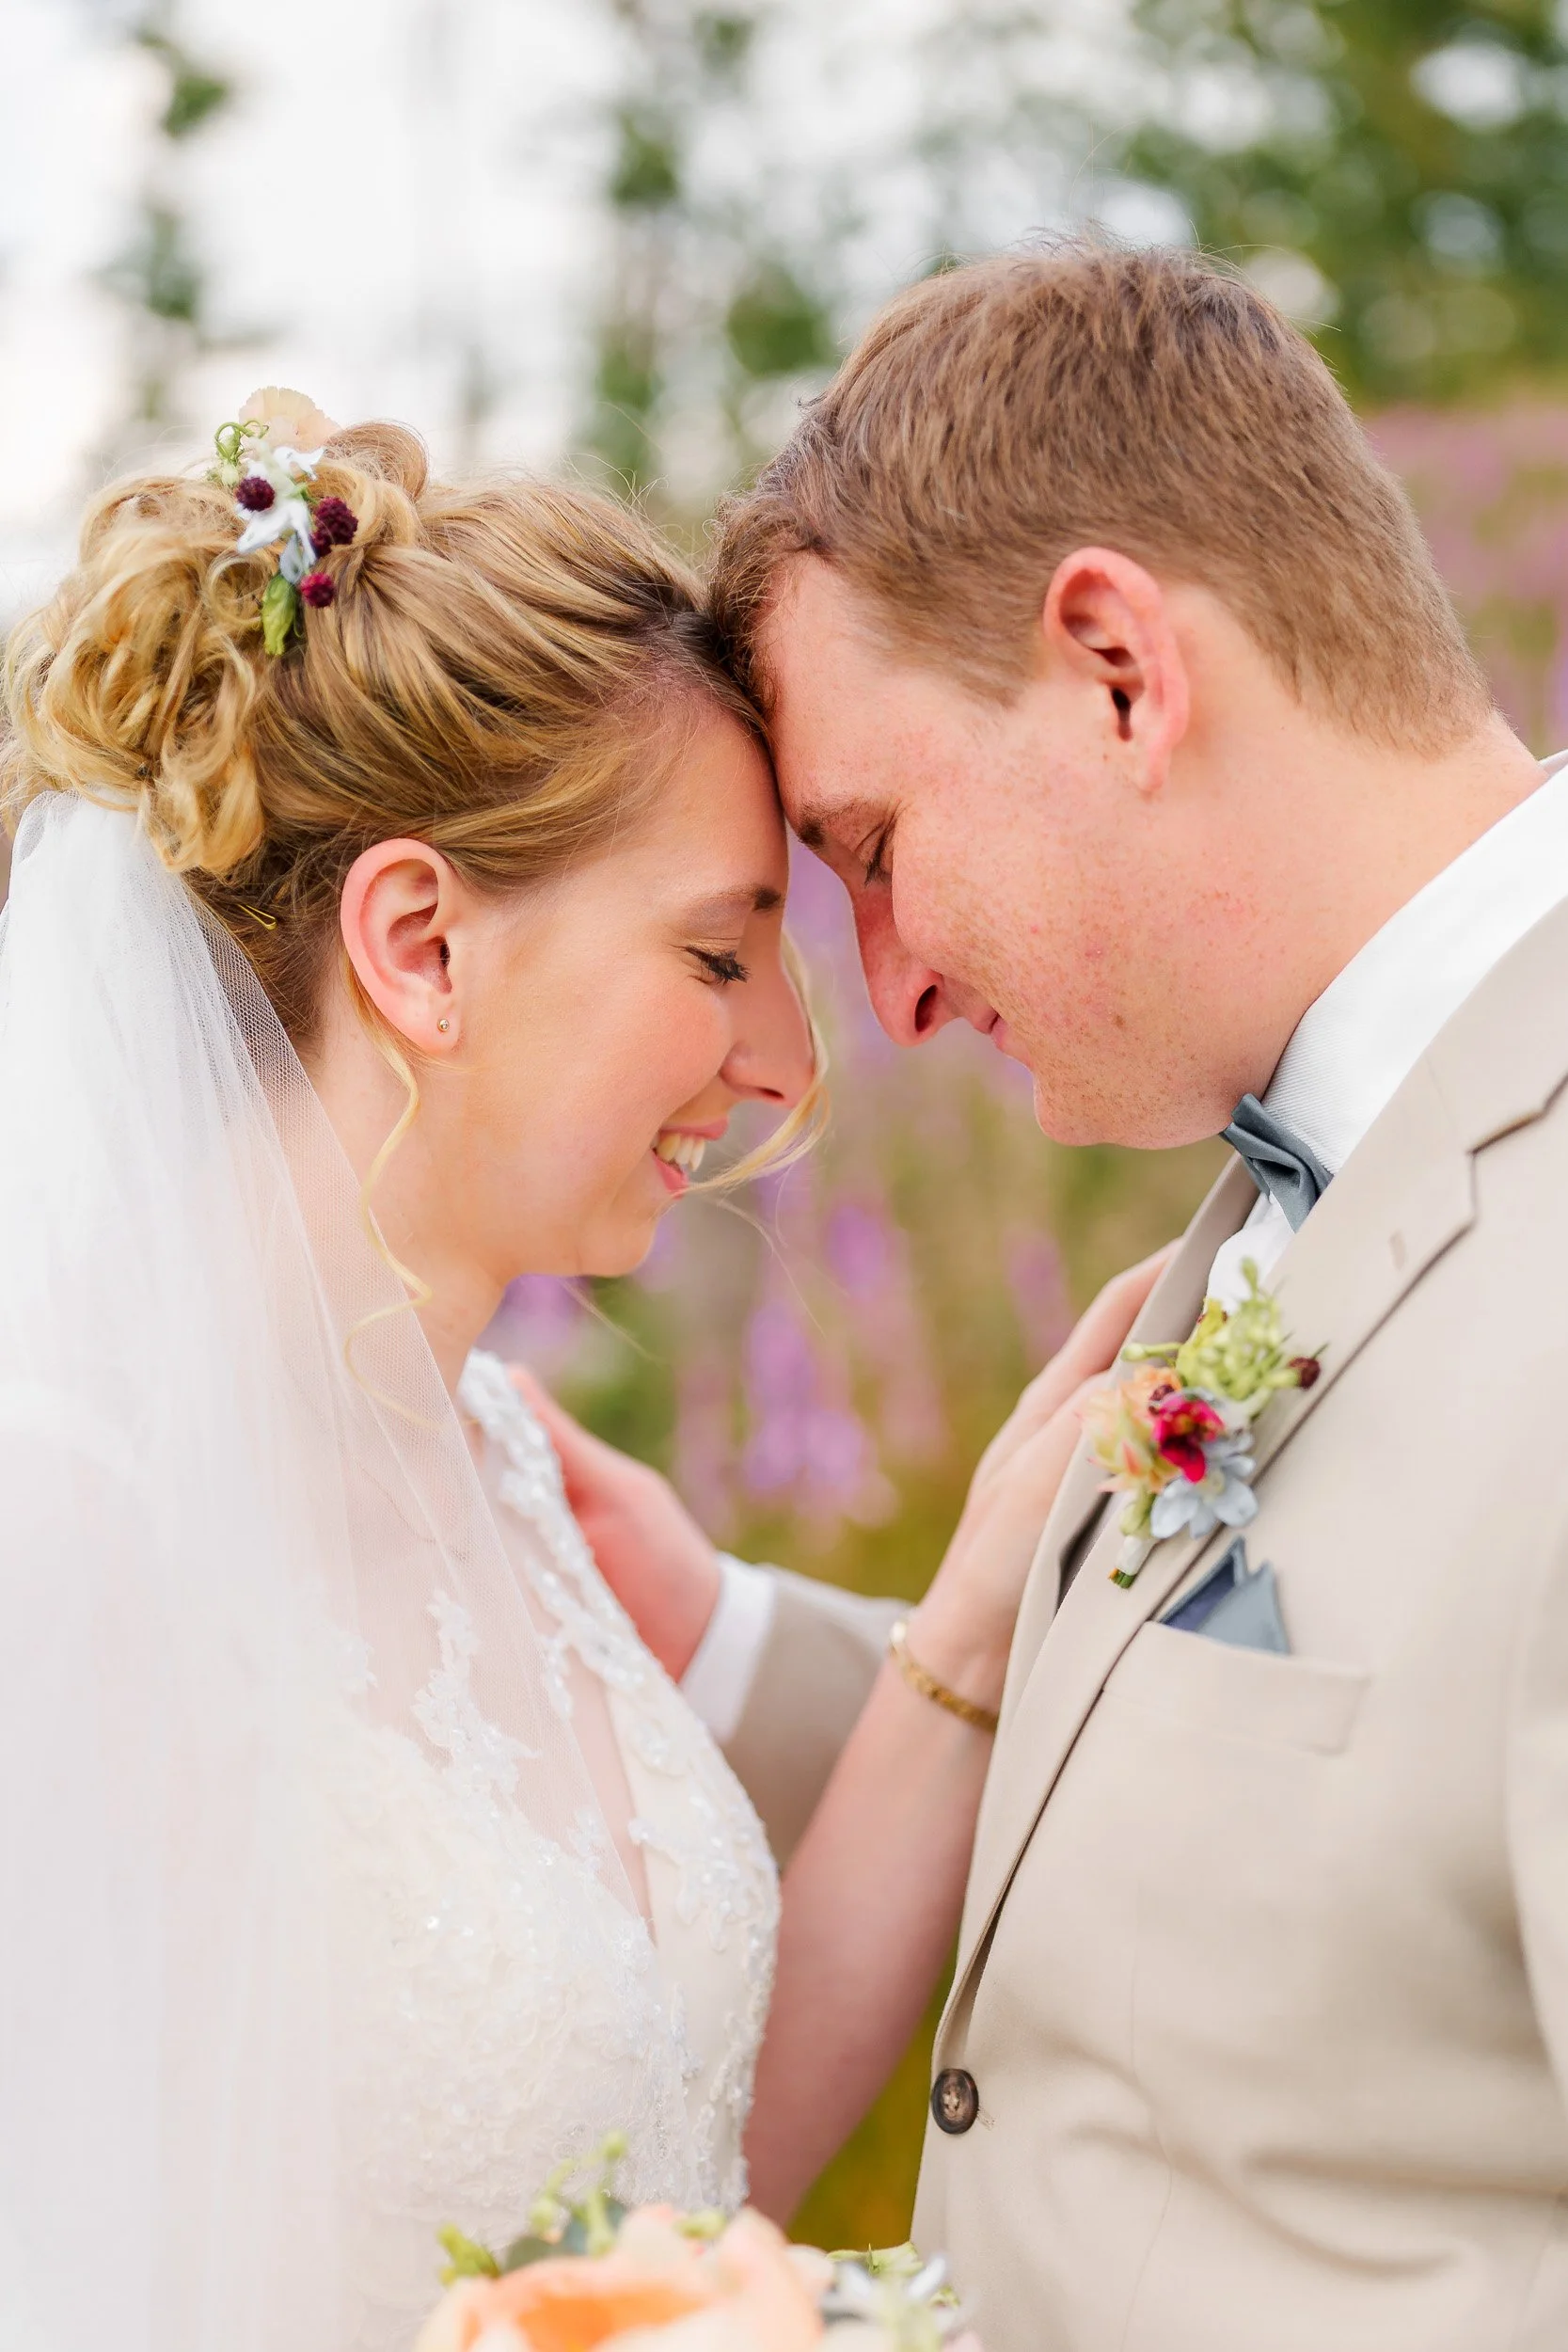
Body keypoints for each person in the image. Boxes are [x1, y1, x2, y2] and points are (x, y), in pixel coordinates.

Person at [0, 389, 1153, 2352]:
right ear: (421, 944)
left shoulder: (503, 1464)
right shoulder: (74, 1524)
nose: (788, 1058)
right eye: (716, 957)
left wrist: (965, 1630)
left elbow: (649, 2202)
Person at [560, 242, 1568, 2349]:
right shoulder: (1306, 1155)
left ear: (1116, 667)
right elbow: (1316, 1781)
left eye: (873, 840)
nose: (894, 987)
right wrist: (734, 1635)